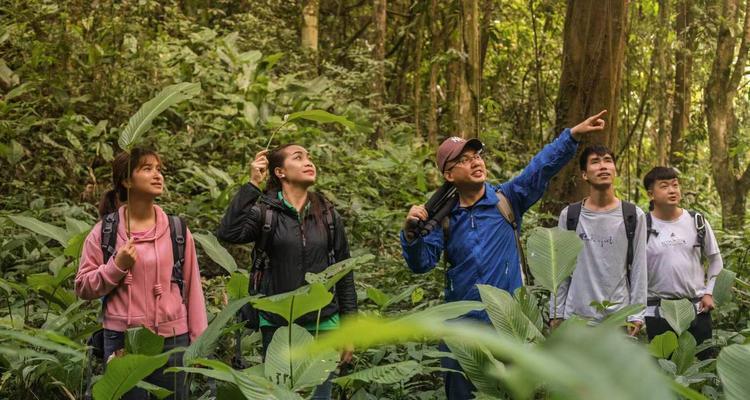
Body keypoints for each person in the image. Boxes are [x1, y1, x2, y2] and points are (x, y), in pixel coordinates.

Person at [401, 111, 607, 399]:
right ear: (449, 175)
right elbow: (422, 264)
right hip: (463, 332)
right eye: (464, 159)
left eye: (477, 155)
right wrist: (410, 235)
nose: (475, 161)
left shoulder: (507, 200)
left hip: (509, 326)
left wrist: (571, 135)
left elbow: (540, 168)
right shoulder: (443, 218)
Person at [217, 144, 356, 400]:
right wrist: (251, 186)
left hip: (323, 324)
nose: (308, 162)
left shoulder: (327, 214)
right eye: (298, 157)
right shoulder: (265, 212)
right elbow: (229, 233)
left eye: (309, 157)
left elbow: (344, 271)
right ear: (279, 171)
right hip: (279, 326)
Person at [75, 148, 208, 400]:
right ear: (126, 180)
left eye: (159, 169)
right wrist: (116, 266)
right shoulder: (105, 231)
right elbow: (82, 286)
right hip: (122, 340)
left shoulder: (176, 229)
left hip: (171, 340)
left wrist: (199, 343)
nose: (157, 175)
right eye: (147, 169)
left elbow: (192, 288)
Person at [550, 145, 647, 336]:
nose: (603, 166)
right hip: (576, 318)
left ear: (615, 170)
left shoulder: (633, 215)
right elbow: (561, 269)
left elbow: (639, 267)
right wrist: (556, 312)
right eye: (595, 162)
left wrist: (636, 314)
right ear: (584, 174)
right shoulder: (570, 215)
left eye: (608, 161)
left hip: (618, 319)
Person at [642, 166, 723, 357]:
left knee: (702, 368)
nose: (672, 190)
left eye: (675, 185)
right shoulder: (642, 225)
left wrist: (709, 292)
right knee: (664, 370)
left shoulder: (697, 221)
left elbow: (715, 260)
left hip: (697, 309)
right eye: (664, 186)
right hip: (657, 311)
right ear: (650, 194)